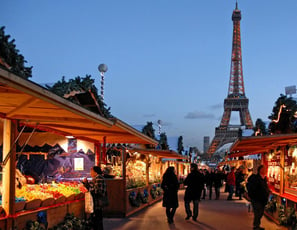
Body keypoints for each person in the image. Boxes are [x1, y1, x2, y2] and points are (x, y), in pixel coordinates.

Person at [83, 166, 108, 230]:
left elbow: (97, 191)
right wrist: (86, 183)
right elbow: (91, 188)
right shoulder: (96, 178)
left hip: (97, 203)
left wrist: (87, 185)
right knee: (96, 220)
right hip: (96, 203)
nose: (90, 173)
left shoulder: (99, 178)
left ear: (95, 172)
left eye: (91, 171)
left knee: (97, 220)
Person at [247, 165, 269, 230]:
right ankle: (256, 226)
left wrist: (267, 191)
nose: (265, 170)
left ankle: (257, 225)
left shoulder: (264, 178)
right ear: (260, 170)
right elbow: (254, 188)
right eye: (263, 169)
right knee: (257, 212)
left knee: (261, 212)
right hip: (256, 199)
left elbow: (264, 187)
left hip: (262, 199)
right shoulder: (256, 178)